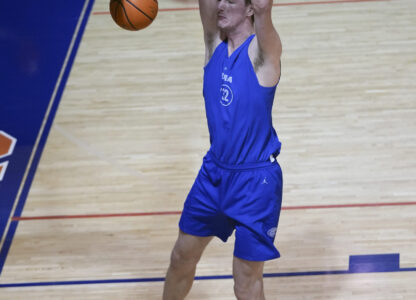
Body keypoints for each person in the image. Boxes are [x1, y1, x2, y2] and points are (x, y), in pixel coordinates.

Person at [163, 0, 283, 299]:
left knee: (245, 278)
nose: (220, 5)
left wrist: (264, 11)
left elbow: (266, 13)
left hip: (255, 183)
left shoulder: (262, 55)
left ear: (250, 9)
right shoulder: (213, 44)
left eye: (230, 0)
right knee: (181, 257)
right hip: (213, 174)